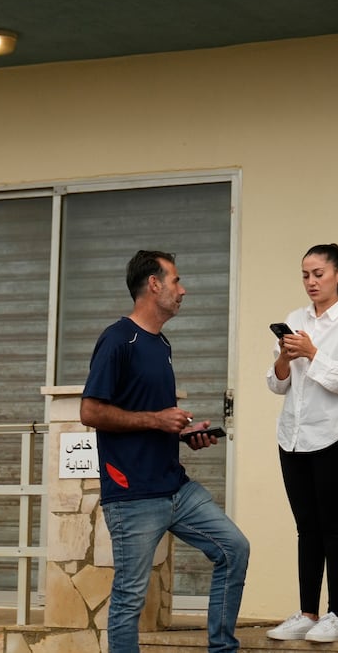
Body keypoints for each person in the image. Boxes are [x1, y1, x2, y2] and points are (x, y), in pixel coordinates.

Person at [81, 250, 251, 653]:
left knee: (234, 548)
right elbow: (91, 411)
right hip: (133, 494)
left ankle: (222, 648)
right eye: (176, 280)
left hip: (176, 488)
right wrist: (158, 420)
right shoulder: (117, 339)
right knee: (129, 597)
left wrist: (183, 433)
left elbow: (148, 413)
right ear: (153, 284)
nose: (183, 289)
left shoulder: (161, 344)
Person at [265, 243, 338, 644]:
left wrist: (312, 353)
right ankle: (307, 611)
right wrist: (283, 356)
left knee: (332, 527)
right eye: (306, 275)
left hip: (334, 435)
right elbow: (278, 384)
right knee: (305, 528)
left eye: (319, 274)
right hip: (292, 436)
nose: (311, 282)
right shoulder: (295, 318)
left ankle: (337, 615)